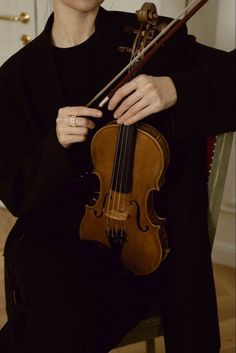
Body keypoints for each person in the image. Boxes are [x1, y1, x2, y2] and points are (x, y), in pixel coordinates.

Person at [0, 1, 235, 352]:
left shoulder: (158, 42)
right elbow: (18, 193)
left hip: (142, 252)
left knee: (59, 315)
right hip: (54, 241)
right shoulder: (15, 77)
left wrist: (176, 89)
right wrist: (56, 145)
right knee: (55, 285)